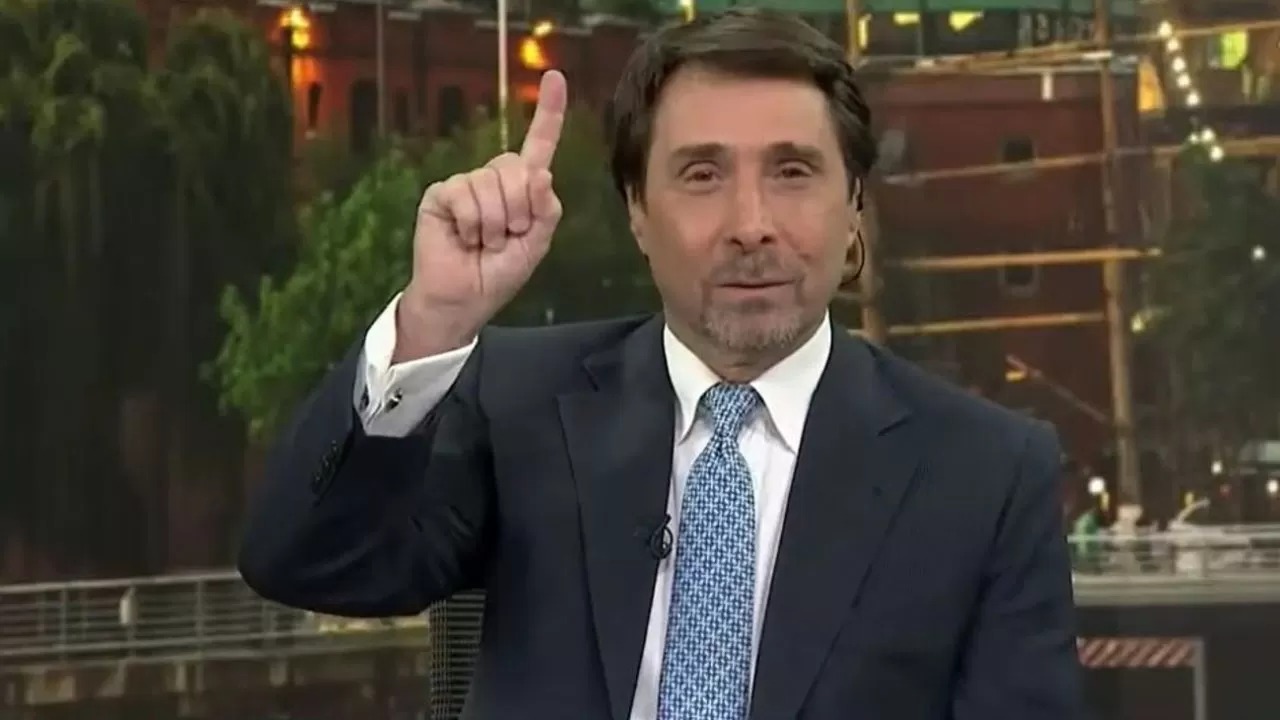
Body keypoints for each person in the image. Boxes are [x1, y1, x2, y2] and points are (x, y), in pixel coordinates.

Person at [239, 8, 1083, 720]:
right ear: (637, 211)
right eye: (702, 174)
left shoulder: (985, 472)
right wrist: (432, 320)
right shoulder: (518, 404)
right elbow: (304, 561)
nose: (751, 224)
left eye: (792, 172)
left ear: (855, 203)